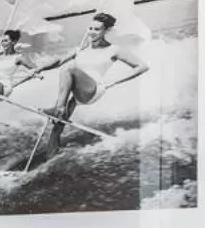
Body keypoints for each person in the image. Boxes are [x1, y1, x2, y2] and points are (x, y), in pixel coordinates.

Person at [28, 12, 148, 149]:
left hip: (94, 89)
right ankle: (50, 155)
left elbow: (142, 66)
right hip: (77, 94)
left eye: (97, 29)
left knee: (69, 69)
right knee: (56, 129)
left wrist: (112, 82)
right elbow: (60, 61)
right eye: (90, 28)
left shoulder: (114, 50)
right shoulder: (82, 49)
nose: (92, 32)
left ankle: (58, 109)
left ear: (106, 30)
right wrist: (40, 68)